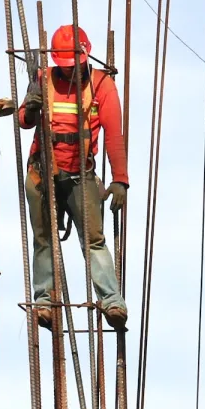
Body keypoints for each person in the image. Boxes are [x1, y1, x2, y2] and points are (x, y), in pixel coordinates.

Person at [18, 24, 130, 328]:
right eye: (66, 67)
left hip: (81, 177)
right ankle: (44, 300)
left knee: (94, 240)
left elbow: (114, 135)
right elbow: (24, 122)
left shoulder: (101, 84)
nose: (71, 72)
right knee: (43, 239)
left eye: (75, 66)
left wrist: (120, 178)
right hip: (43, 174)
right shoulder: (43, 80)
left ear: (85, 57)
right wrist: (30, 106)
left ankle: (111, 301)